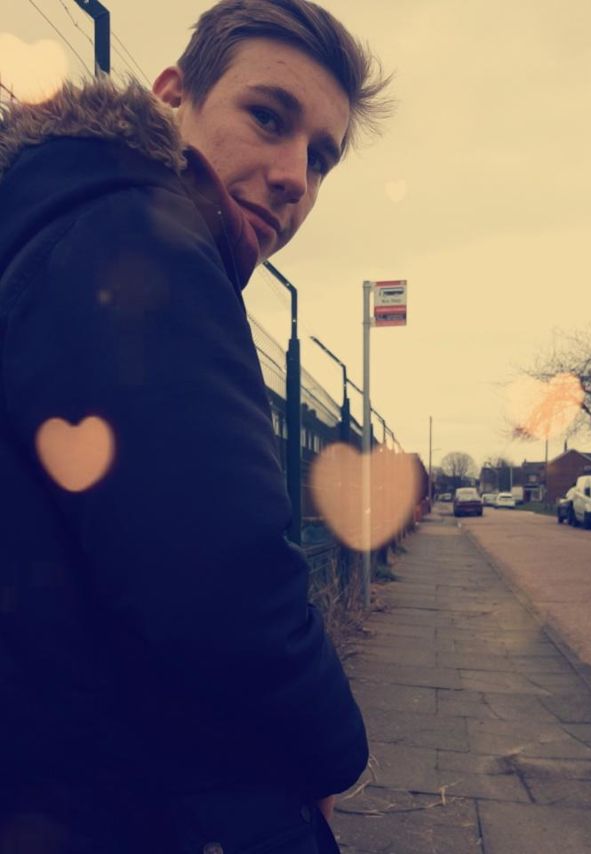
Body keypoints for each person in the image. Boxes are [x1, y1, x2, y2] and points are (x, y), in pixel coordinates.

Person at [0, 0, 391, 851]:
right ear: (172, 96)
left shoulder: (47, 218)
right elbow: (223, 584)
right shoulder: (140, 238)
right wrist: (329, 755)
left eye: (320, 158)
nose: (294, 177)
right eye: (268, 118)